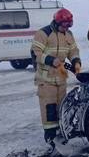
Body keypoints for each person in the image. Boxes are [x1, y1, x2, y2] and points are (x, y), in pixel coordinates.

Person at [32, 8, 81, 145]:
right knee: (49, 109)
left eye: (68, 26)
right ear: (57, 22)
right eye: (64, 25)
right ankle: (50, 136)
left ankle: (61, 133)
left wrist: (76, 62)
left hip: (61, 78)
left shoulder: (68, 34)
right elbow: (36, 53)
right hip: (46, 79)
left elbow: (73, 51)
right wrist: (50, 60)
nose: (66, 28)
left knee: (61, 107)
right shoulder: (44, 33)